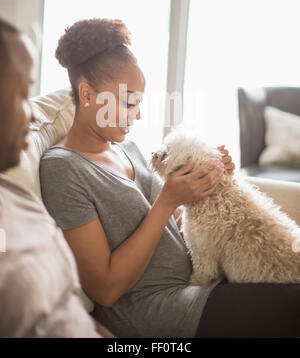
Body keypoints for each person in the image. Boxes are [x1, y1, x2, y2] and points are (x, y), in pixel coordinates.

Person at [39, 18, 300, 338]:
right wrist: (167, 201)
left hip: (200, 281)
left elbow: (177, 222)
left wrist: (208, 181)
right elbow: (105, 290)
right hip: (159, 307)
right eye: (128, 102)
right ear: (87, 94)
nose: (137, 115)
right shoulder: (63, 169)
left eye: (139, 103)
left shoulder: (128, 149)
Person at [0, 17, 112, 338]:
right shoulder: (62, 167)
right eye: (20, 95)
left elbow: (68, 308)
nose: (34, 114)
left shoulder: (17, 195)